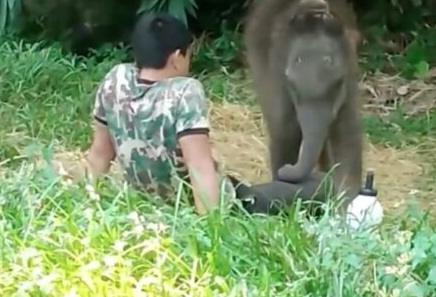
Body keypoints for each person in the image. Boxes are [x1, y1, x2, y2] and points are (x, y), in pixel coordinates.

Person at [84, 12, 332, 215]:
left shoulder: (116, 81)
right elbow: (200, 167)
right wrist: (211, 234)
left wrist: (86, 205)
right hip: (213, 206)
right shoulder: (183, 93)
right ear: (176, 57)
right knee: (324, 185)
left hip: (150, 207)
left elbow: (99, 155)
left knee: (284, 184)